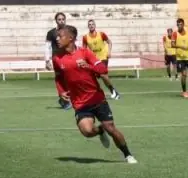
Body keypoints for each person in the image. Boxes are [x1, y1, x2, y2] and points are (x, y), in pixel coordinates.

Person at [52, 25, 137, 164]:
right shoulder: (57, 58)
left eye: (60, 36)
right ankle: (100, 131)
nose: (57, 39)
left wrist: (89, 66)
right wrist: (60, 91)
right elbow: (58, 77)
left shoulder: (85, 53)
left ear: (71, 38)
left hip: (96, 98)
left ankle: (127, 154)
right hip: (79, 102)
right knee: (87, 131)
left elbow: (102, 69)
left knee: (111, 128)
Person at [82, 19, 120, 99]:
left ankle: (114, 91)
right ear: (88, 26)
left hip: (103, 57)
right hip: (93, 60)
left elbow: (109, 42)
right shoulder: (85, 37)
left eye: (92, 24)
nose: (91, 26)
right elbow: (84, 49)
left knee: (103, 75)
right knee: (94, 77)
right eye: (90, 24)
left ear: (95, 25)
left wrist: (109, 52)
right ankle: (98, 93)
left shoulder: (101, 34)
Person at [45, 12, 74, 110]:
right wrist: (47, 60)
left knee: (70, 76)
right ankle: (64, 99)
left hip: (68, 57)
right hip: (57, 58)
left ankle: (67, 98)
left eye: (63, 19)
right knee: (59, 78)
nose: (61, 21)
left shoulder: (70, 30)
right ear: (56, 21)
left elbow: (75, 43)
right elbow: (47, 47)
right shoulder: (51, 33)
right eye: (59, 19)